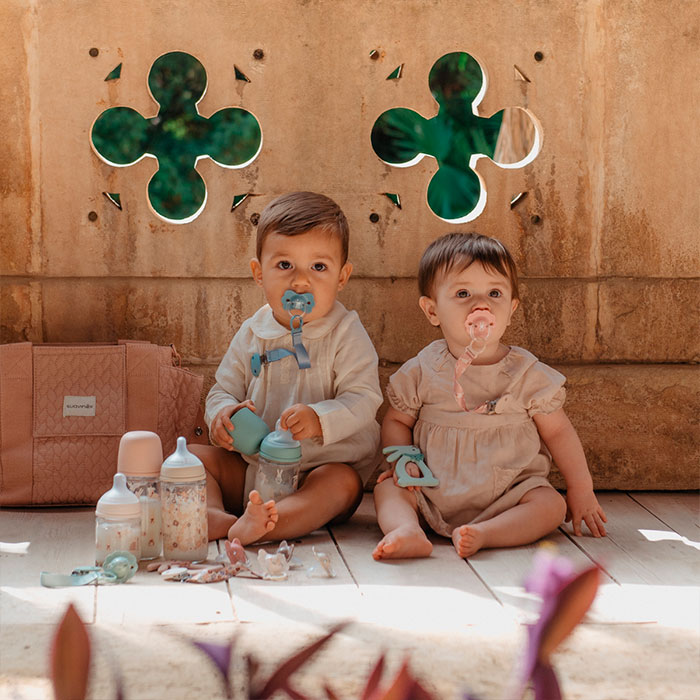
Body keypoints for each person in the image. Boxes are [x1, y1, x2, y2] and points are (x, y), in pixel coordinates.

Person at [372, 232, 607, 560]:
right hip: (430, 488)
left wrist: (581, 489)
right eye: (463, 293)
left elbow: (558, 432)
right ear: (432, 310)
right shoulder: (424, 369)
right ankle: (406, 529)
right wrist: (403, 460)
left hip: (509, 494)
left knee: (551, 505)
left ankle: (486, 533)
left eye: (494, 293)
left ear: (510, 309)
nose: (481, 305)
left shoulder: (527, 374)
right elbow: (397, 420)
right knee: (387, 488)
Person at [192, 192, 382, 545]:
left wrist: (320, 419)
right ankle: (216, 515)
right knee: (190, 459)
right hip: (253, 468)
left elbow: (364, 397)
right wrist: (222, 415)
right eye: (284, 265)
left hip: (320, 469)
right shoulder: (253, 332)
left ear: (342, 277)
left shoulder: (345, 332)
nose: (300, 282)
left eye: (318, 267)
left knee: (342, 484)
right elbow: (223, 389)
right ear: (258, 273)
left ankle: (268, 526)